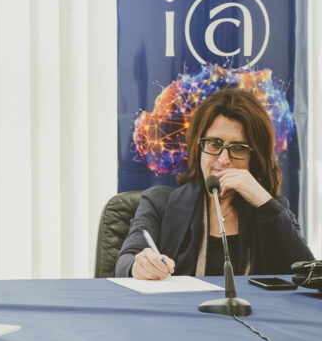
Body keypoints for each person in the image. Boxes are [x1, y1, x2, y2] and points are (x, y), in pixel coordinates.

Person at [115, 88, 313, 279]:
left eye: (238, 148)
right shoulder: (159, 203)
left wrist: (264, 201)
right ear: (198, 147)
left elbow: (308, 273)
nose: (224, 159)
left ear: (254, 157)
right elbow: (125, 260)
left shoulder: (270, 210)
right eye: (214, 144)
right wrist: (139, 265)